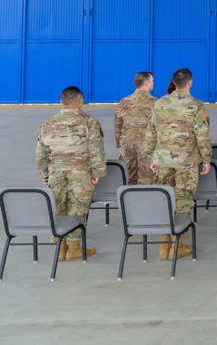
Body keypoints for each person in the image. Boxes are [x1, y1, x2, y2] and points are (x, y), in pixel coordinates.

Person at [144, 68, 212, 260]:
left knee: (164, 198)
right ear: (190, 83)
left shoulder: (160, 103)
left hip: (162, 159)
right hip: (186, 161)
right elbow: (202, 136)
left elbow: (151, 132)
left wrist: (151, 156)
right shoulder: (196, 105)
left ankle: (164, 245)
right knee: (183, 200)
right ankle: (178, 245)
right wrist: (206, 159)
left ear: (173, 83)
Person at [36, 86, 106, 261]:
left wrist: (44, 173)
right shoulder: (90, 122)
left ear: (61, 102)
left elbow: (41, 153)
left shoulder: (48, 123)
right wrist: (97, 172)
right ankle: (74, 247)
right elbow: (95, 149)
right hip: (80, 172)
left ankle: (60, 247)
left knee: (57, 205)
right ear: (80, 101)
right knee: (78, 206)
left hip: (56, 172)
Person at [113, 71, 157, 185]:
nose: (153, 83)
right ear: (147, 84)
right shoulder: (155, 103)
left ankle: (129, 200)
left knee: (128, 176)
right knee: (147, 176)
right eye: (152, 81)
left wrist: (119, 143)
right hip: (146, 145)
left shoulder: (124, 102)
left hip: (127, 144)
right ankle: (144, 201)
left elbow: (117, 125)